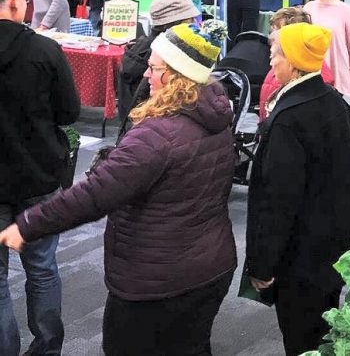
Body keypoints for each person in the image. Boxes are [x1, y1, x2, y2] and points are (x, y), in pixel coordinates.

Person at [0, 22, 237, 355]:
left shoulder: (157, 135)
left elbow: (93, 196)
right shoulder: (215, 117)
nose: (145, 76)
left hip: (157, 280)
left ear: (173, 76)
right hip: (211, 267)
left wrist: (29, 224)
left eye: (153, 69)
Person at [245, 22, 350, 356]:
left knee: (301, 336)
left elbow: (277, 200)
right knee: (325, 327)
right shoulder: (334, 101)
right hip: (336, 246)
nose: (271, 62)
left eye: (275, 55)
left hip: (300, 255)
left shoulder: (289, 117)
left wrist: (262, 265)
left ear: (295, 62)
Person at [0, 0, 80, 356]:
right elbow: (69, 112)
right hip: (39, 176)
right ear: (14, 1)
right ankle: (48, 347)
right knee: (43, 267)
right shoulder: (46, 50)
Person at [116, 0, 199, 125]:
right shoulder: (163, 57)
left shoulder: (140, 48)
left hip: (134, 131)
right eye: (189, 19)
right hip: (151, 131)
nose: (194, 23)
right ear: (175, 23)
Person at [258, 8, 335, 122]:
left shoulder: (317, 78)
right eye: (272, 31)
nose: (273, 37)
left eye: (278, 32)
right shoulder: (280, 64)